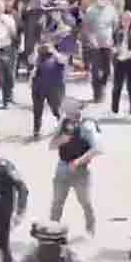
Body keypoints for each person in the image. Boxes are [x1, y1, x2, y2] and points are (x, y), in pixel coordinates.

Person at [48, 98, 101, 239]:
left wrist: (78, 161)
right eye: (66, 112)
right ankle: (51, 234)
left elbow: (97, 149)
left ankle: (90, 230)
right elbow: (51, 145)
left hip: (81, 170)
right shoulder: (63, 123)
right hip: (62, 167)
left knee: (86, 203)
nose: (67, 115)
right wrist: (62, 140)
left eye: (69, 112)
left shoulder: (88, 125)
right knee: (57, 203)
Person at [30, 35, 68, 138]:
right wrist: (35, 50)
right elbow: (31, 61)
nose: (45, 47)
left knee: (56, 109)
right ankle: (36, 131)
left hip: (54, 88)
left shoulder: (58, 56)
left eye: (46, 45)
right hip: (38, 87)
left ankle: (64, 127)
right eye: (43, 44)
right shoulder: (38, 57)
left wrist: (53, 50)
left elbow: (62, 60)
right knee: (37, 110)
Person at [111, 10, 131, 116]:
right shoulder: (117, 31)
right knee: (117, 87)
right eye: (123, 19)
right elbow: (113, 44)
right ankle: (114, 110)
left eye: (128, 19)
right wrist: (114, 49)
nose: (125, 21)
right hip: (120, 62)